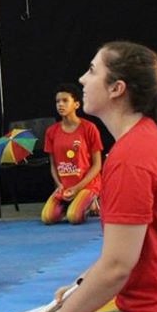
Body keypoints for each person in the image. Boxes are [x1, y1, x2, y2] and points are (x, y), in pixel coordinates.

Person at [42, 42, 157, 312]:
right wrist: (81, 286)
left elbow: (117, 267)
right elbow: (123, 257)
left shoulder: (132, 158)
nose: (82, 80)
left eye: (92, 71)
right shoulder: (146, 139)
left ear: (117, 89)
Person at [41, 84, 103, 226]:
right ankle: (74, 203)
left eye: (65, 100)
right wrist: (59, 186)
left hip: (87, 184)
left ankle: (92, 200)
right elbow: (53, 164)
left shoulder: (89, 128)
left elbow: (97, 164)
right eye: (57, 101)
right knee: (47, 217)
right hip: (65, 187)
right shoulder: (51, 131)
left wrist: (78, 188)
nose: (60, 104)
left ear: (76, 104)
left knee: (74, 217)